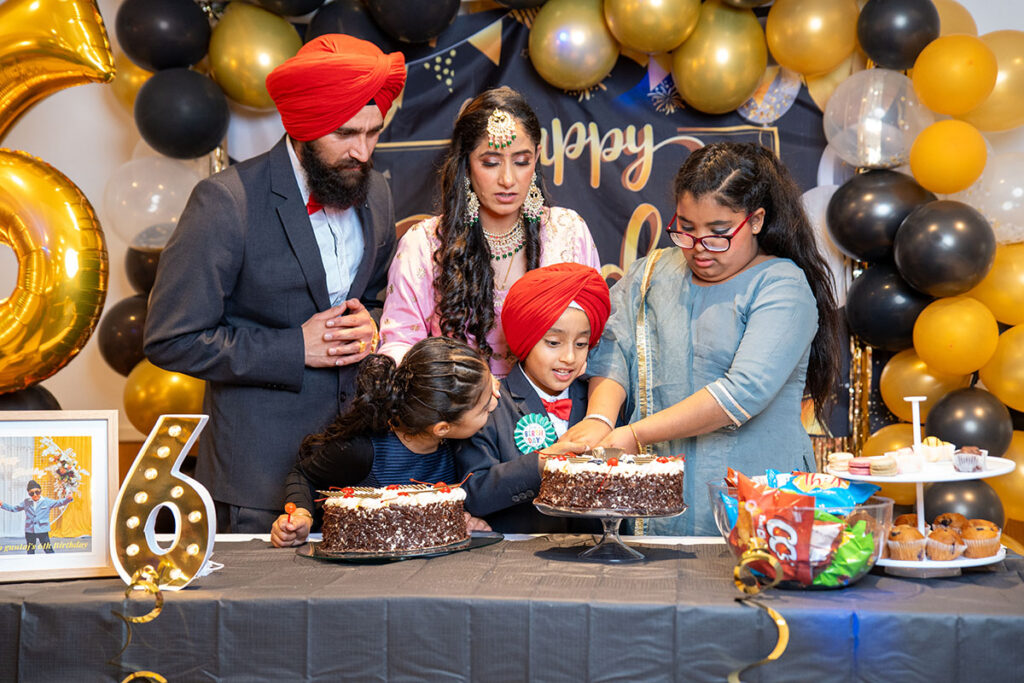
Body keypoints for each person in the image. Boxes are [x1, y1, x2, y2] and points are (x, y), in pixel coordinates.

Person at [143, 35, 407, 533]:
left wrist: (371, 326)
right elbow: (171, 339)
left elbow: (377, 296)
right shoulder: (226, 203)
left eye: (373, 133)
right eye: (346, 133)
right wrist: (294, 348)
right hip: (257, 486)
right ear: (302, 126)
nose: (362, 151)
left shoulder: (375, 190)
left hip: (359, 479)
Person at [563, 142, 842, 536]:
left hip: (755, 500)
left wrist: (636, 434)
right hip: (655, 503)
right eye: (686, 228)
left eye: (718, 233)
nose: (698, 248)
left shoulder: (782, 285)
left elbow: (743, 391)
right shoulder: (651, 273)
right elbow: (614, 346)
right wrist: (600, 418)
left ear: (756, 220)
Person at [378, 86, 601, 378]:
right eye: (491, 163)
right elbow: (399, 344)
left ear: (536, 157)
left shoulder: (568, 232)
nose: (507, 179)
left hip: (553, 403)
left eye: (521, 162)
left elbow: (596, 338)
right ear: (466, 163)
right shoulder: (425, 243)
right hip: (457, 404)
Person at [271, 337, 497, 547]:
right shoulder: (363, 450)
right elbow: (304, 474)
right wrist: (301, 514)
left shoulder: (458, 443)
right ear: (442, 428)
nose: (496, 403)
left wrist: (462, 520)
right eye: (485, 408)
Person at [455, 263, 610, 533]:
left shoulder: (600, 401)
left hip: (595, 550)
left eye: (581, 344)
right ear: (525, 340)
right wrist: (539, 465)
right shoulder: (490, 405)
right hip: (513, 554)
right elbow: (473, 494)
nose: (569, 357)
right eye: (553, 342)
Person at [1, 481, 73, 554]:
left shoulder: (46, 501)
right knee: (30, 550)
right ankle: (31, 561)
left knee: (48, 549)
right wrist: (2, 504)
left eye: (37, 492)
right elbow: (14, 509)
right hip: (30, 530)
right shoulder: (26, 502)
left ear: (40, 491)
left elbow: (59, 503)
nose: (35, 495)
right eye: (31, 493)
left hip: (43, 529)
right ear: (29, 494)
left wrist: (68, 499)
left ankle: (52, 560)